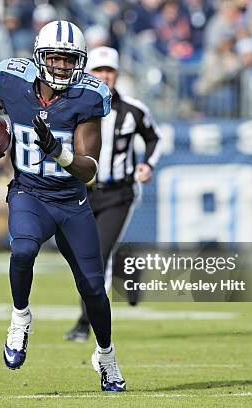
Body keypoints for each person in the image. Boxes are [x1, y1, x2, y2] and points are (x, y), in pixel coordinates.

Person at [0, 20, 126, 392]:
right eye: (55, 57)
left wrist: (60, 153)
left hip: (71, 202)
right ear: (39, 56)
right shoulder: (12, 83)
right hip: (29, 193)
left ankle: (107, 357)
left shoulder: (87, 97)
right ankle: (20, 317)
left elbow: (90, 170)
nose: (63, 66)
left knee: (94, 289)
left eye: (70, 60)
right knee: (23, 249)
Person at [65, 47, 161, 342]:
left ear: (117, 74)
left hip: (118, 193)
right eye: (98, 70)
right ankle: (126, 271)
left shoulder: (132, 109)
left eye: (109, 71)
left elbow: (154, 137)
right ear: (86, 73)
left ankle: (85, 322)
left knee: (97, 255)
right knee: (81, 256)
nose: (104, 76)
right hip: (82, 191)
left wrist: (147, 164)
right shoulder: (72, 106)